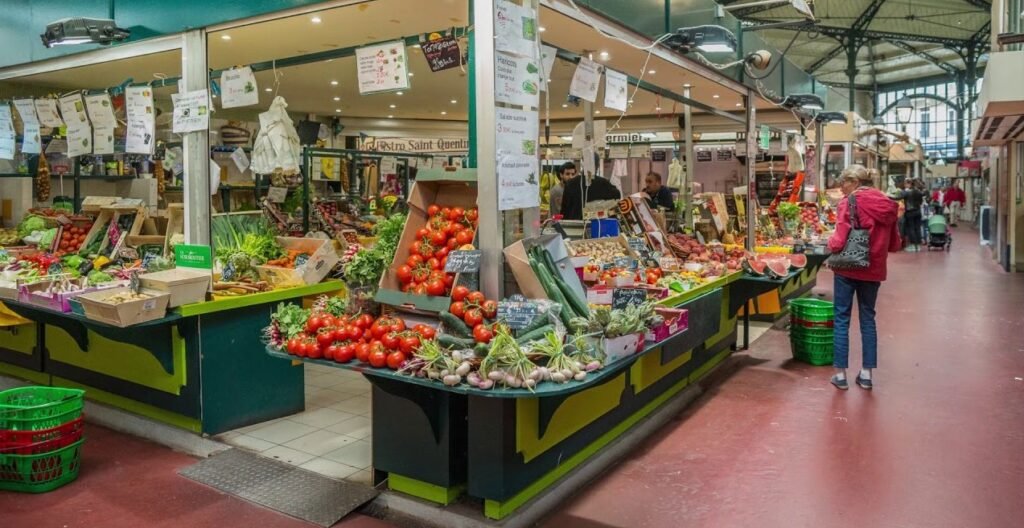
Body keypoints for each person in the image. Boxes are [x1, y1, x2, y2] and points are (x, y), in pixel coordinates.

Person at [827, 164, 901, 391]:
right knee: (868, 319)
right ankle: (866, 374)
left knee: (841, 318)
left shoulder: (848, 203)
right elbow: (895, 244)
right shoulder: (888, 206)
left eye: (844, 183)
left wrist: (828, 245)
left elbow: (839, 241)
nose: (841, 187)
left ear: (855, 182)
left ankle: (840, 375)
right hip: (874, 270)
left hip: (848, 269)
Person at [900, 179, 925, 252]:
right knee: (917, 228)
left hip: (910, 212)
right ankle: (918, 246)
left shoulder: (906, 192)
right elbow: (922, 199)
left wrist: (888, 196)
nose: (904, 185)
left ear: (909, 184)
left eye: (905, 184)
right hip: (918, 211)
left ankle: (913, 245)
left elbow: (898, 197)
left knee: (911, 229)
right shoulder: (918, 192)